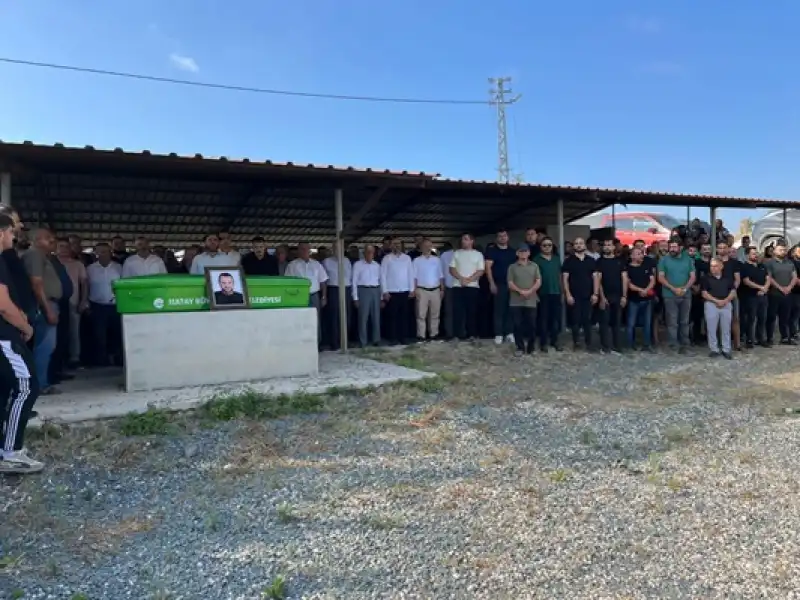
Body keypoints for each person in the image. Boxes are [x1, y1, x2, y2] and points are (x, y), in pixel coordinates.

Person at [0, 213, 42, 473]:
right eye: (11, 232)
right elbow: (2, 304)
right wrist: (24, 326)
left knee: (3, 389)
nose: (14, 237)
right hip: (4, 335)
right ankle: (11, 452)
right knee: (27, 386)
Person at [23, 228, 62, 395]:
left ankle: (40, 382)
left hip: (48, 304)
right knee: (44, 346)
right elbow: (36, 283)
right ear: (37, 240)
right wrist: (48, 309)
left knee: (45, 345)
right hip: (44, 305)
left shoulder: (42, 256)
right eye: (48, 238)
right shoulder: (35, 255)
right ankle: (40, 384)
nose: (52, 240)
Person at [657, 238, 695, 353]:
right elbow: (661, 277)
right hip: (669, 295)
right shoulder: (664, 260)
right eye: (671, 247)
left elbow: (692, 276)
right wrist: (673, 288)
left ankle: (685, 345)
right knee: (672, 322)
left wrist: (685, 288)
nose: (672, 249)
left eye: (674, 247)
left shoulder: (688, 260)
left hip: (685, 294)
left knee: (684, 321)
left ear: (681, 248)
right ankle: (673, 345)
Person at [561, 237, 598, 350]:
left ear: (584, 246)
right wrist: (567, 294)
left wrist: (595, 293)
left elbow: (595, 277)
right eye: (576, 243)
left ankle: (588, 342)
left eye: (580, 243)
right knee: (575, 320)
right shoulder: (568, 261)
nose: (578, 245)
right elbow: (565, 279)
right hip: (574, 295)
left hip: (588, 295)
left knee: (587, 319)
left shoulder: (591, 261)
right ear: (573, 246)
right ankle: (576, 342)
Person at [449, 233, 485, 341]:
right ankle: (456, 335)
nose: (463, 241)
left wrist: (469, 279)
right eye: (462, 239)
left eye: (465, 239)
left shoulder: (478, 254)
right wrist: (461, 279)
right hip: (458, 286)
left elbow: (480, 271)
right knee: (457, 311)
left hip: (472, 286)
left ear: (471, 241)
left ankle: (472, 334)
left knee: (472, 311)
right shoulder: (456, 253)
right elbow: (451, 269)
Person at [484, 229, 517, 345]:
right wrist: (491, 283)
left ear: (508, 237)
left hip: (512, 284)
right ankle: (498, 334)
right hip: (499, 284)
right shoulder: (492, 251)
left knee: (511, 309)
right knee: (499, 310)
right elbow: (487, 268)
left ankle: (509, 333)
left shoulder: (513, 252)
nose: (502, 238)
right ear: (497, 238)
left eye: (504, 236)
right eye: (500, 236)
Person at [507, 245, 541, 355]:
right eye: (521, 251)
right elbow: (510, 283)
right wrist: (521, 291)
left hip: (531, 300)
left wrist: (530, 291)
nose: (523, 253)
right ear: (517, 253)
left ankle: (531, 347)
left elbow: (538, 281)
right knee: (517, 325)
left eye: (525, 251)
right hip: (516, 301)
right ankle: (520, 347)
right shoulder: (512, 267)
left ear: (529, 253)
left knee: (532, 325)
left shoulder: (534, 266)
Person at [700, 257, 736, 359]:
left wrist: (725, 301)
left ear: (721, 266)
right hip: (711, 304)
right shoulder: (706, 278)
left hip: (726, 303)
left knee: (726, 328)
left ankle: (726, 349)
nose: (713, 268)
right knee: (711, 328)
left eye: (715, 266)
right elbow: (704, 293)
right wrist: (717, 301)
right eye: (711, 266)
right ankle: (714, 349)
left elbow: (733, 291)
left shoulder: (727, 278)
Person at [596, 239, 625, 354]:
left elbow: (624, 279)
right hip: (605, 296)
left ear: (614, 247)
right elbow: (598, 280)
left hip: (618, 296)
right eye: (605, 245)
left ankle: (617, 346)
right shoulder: (599, 262)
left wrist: (624, 296)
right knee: (604, 322)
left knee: (617, 323)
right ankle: (605, 347)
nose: (607, 247)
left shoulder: (620, 261)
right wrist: (602, 298)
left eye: (609, 245)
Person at [765, 241, 797, 346]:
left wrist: (788, 288)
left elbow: (794, 277)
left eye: (784, 250)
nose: (783, 252)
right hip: (774, 294)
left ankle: (784, 337)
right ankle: (769, 337)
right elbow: (769, 277)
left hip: (787, 294)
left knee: (785, 317)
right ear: (774, 251)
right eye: (780, 250)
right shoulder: (770, 263)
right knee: (771, 317)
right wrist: (780, 288)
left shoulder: (790, 263)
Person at [533, 236, 562, 352]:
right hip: (543, 293)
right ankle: (543, 343)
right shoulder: (536, 260)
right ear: (540, 247)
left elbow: (560, 276)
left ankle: (554, 341)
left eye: (549, 245)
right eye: (544, 245)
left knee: (555, 319)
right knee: (543, 319)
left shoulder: (556, 259)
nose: (547, 247)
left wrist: (562, 291)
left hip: (556, 292)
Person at [623, 247, 656, 351]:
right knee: (631, 323)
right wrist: (640, 290)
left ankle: (646, 344)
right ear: (631, 256)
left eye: (642, 253)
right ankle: (630, 344)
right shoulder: (627, 268)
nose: (641, 256)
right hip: (634, 300)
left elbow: (652, 280)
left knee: (647, 323)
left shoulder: (646, 266)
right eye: (638, 254)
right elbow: (628, 284)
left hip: (647, 299)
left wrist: (646, 290)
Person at [412, 238, 444, 342]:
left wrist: (442, 289)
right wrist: (415, 289)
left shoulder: (437, 260)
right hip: (422, 289)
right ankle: (421, 335)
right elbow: (414, 277)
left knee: (435, 314)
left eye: (429, 245)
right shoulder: (416, 260)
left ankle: (433, 334)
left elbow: (441, 275)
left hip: (435, 289)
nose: (427, 248)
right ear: (421, 248)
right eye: (425, 246)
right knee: (421, 314)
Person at [740, 246, 769, 348]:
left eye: (756, 253)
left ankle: (760, 339)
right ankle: (749, 340)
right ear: (747, 255)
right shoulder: (744, 267)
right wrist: (760, 288)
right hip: (750, 297)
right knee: (751, 319)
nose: (756, 255)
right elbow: (746, 281)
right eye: (753, 253)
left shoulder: (762, 266)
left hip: (763, 296)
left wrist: (765, 288)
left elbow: (768, 278)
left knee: (762, 318)